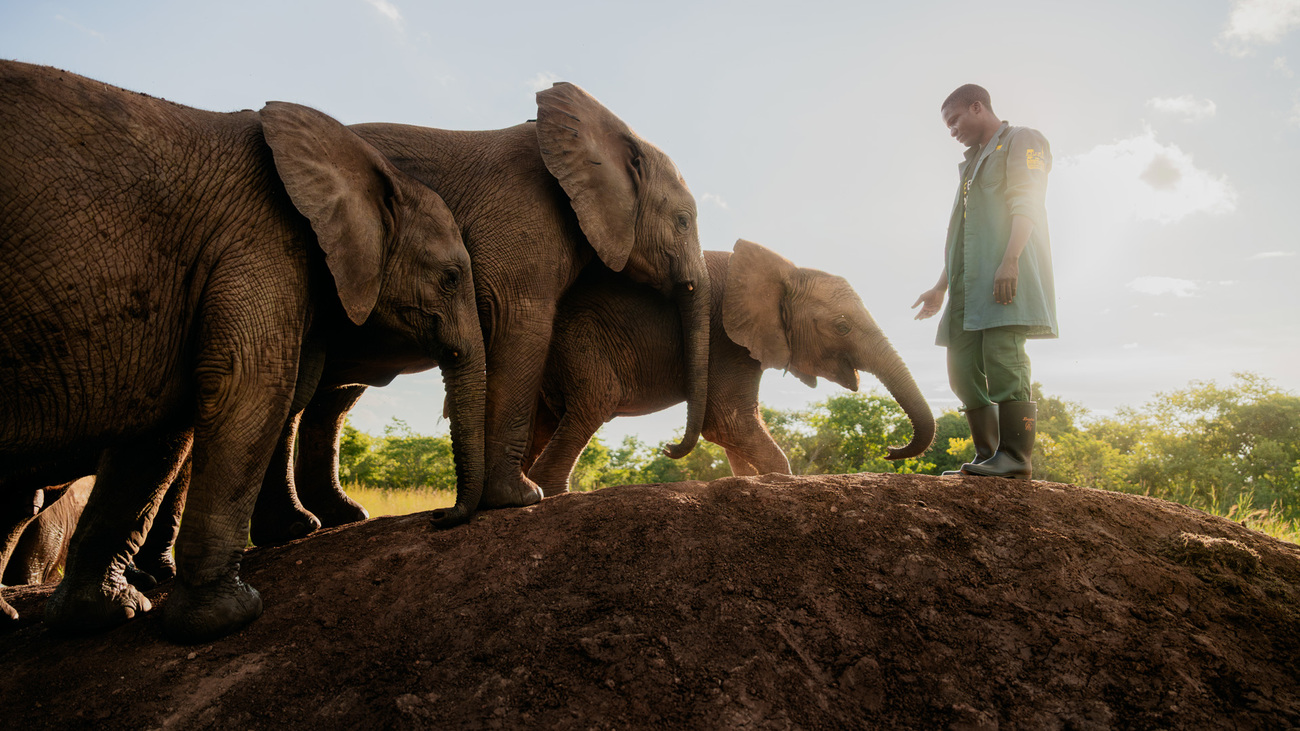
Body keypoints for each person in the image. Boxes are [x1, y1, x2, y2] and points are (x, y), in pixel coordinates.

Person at [912, 84, 1057, 480]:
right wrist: (941, 286)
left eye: (954, 120)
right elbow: (961, 232)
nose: (952, 130)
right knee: (960, 367)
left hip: (1003, 274)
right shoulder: (973, 163)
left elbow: (1027, 201)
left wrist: (1010, 260)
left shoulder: (1021, 140)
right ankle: (987, 455)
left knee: (1003, 358)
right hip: (965, 284)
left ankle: (1015, 458)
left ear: (978, 107)